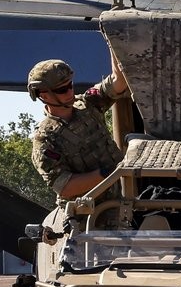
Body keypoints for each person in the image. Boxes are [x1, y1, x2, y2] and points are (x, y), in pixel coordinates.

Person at [27, 59, 131, 202]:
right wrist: (109, 172)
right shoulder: (45, 138)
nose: (70, 91)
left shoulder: (88, 103)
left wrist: (113, 46)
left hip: (124, 198)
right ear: (44, 95)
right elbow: (65, 187)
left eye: (70, 85)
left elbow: (118, 81)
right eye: (62, 90)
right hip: (91, 211)